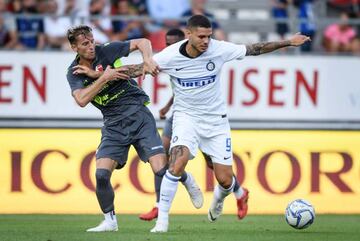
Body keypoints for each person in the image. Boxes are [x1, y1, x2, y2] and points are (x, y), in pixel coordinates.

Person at [150, 15, 311, 233]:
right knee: (176, 163)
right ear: (188, 34)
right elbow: (138, 69)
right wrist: (102, 75)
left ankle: (221, 197)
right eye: (201, 36)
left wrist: (288, 42)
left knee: (225, 180)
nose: (206, 41)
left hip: (216, 122)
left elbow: (255, 48)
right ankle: (162, 223)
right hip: (186, 118)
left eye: (209, 36)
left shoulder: (219, 49)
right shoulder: (169, 56)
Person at [65, 25, 198, 233]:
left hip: (138, 114)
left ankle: (185, 178)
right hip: (113, 124)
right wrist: (103, 78)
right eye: (85, 44)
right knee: (101, 175)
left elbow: (142, 42)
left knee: (161, 170)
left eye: (91, 41)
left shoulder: (106, 51)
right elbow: (81, 100)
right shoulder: (73, 73)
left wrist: (147, 59)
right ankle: (110, 221)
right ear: (74, 47)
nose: (91, 46)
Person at [139, 28, 247, 222]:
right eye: (167, 42)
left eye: (174, 42)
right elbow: (180, 84)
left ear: (186, 40)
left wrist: (165, 105)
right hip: (181, 116)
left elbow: (193, 85)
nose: (171, 45)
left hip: (207, 118)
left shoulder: (198, 55)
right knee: (163, 156)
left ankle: (238, 192)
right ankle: (159, 205)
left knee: (213, 165)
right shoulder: (169, 57)